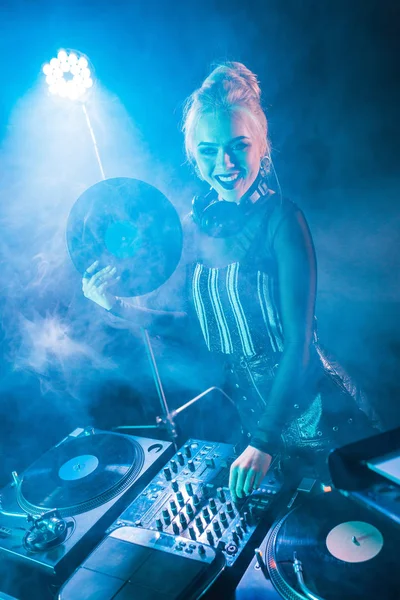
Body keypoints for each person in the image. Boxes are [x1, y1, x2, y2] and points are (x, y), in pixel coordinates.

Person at [82, 62, 379, 501]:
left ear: (262, 146)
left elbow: (299, 342)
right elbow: (202, 327)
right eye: (208, 150)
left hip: (323, 422)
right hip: (260, 431)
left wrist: (263, 440)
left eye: (239, 146)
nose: (224, 162)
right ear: (193, 154)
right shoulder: (192, 228)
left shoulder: (283, 219)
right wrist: (117, 306)